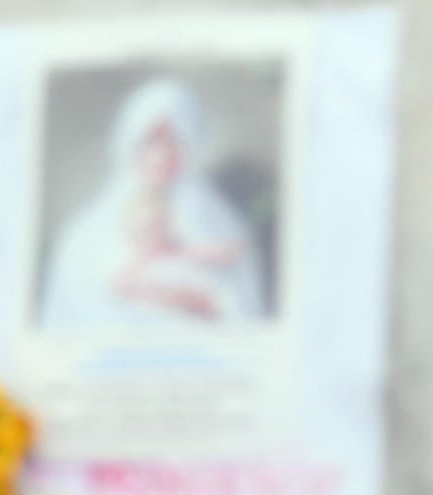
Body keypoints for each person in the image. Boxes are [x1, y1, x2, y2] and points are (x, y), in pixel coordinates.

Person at [40, 76, 269, 332]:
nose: (164, 154)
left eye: (176, 141)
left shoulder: (222, 224)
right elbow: (74, 320)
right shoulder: (85, 235)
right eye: (152, 141)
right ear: (129, 143)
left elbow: (241, 312)